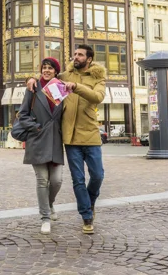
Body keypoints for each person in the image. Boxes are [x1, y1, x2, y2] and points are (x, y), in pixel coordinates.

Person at [27, 44, 106, 235]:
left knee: (97, 176)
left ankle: (90, 202)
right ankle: (86, 216)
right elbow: (46, 77)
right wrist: (31, 78)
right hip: (70, 137)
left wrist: (77, 87)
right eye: (74, 54)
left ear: (89, 59)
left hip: (90, 135)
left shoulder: (98, 78)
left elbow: (97, 97)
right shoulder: (64, 77)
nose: (75, 57)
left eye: (80, 55)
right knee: (78, 180)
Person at [16, 57, 64, 235]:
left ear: (56, 71)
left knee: (57, 180)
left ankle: (49, 204)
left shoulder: (60, 87)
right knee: (42, 180)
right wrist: (35, 127)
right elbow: (22, 113)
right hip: (37, 139)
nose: (46, 70)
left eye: (50, 68)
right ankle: (45, 217)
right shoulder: (34, 87)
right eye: (44, 67)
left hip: (56, 141)